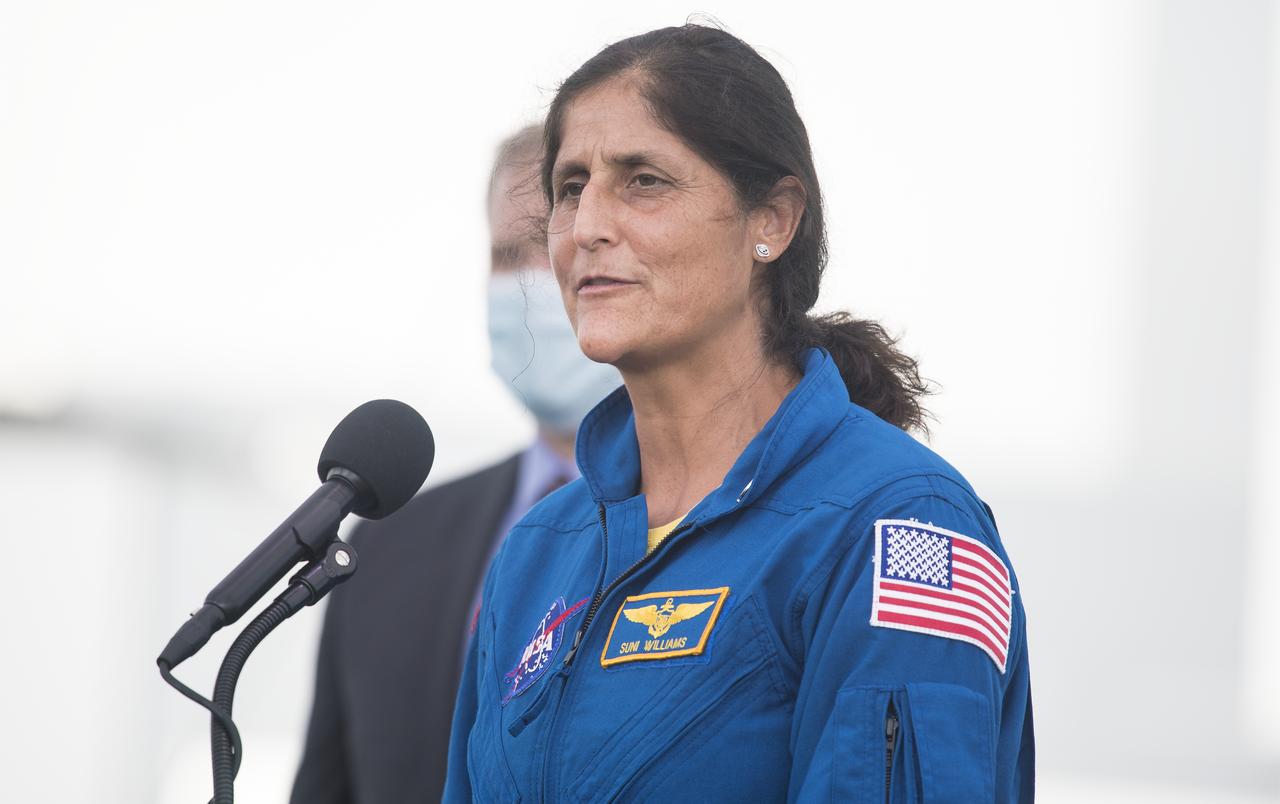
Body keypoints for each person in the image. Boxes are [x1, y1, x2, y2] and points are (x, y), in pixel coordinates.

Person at [444, 23, 1034, 803]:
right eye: (571, 186)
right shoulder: (536, 553)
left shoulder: (905, 528)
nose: (588, 226)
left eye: (644, 180)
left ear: (773, 220)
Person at [289, 124, 621, 804]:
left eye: (555, 244)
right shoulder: (388, 539)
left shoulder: (723, 522)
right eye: (508, 253)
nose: (532, 278)